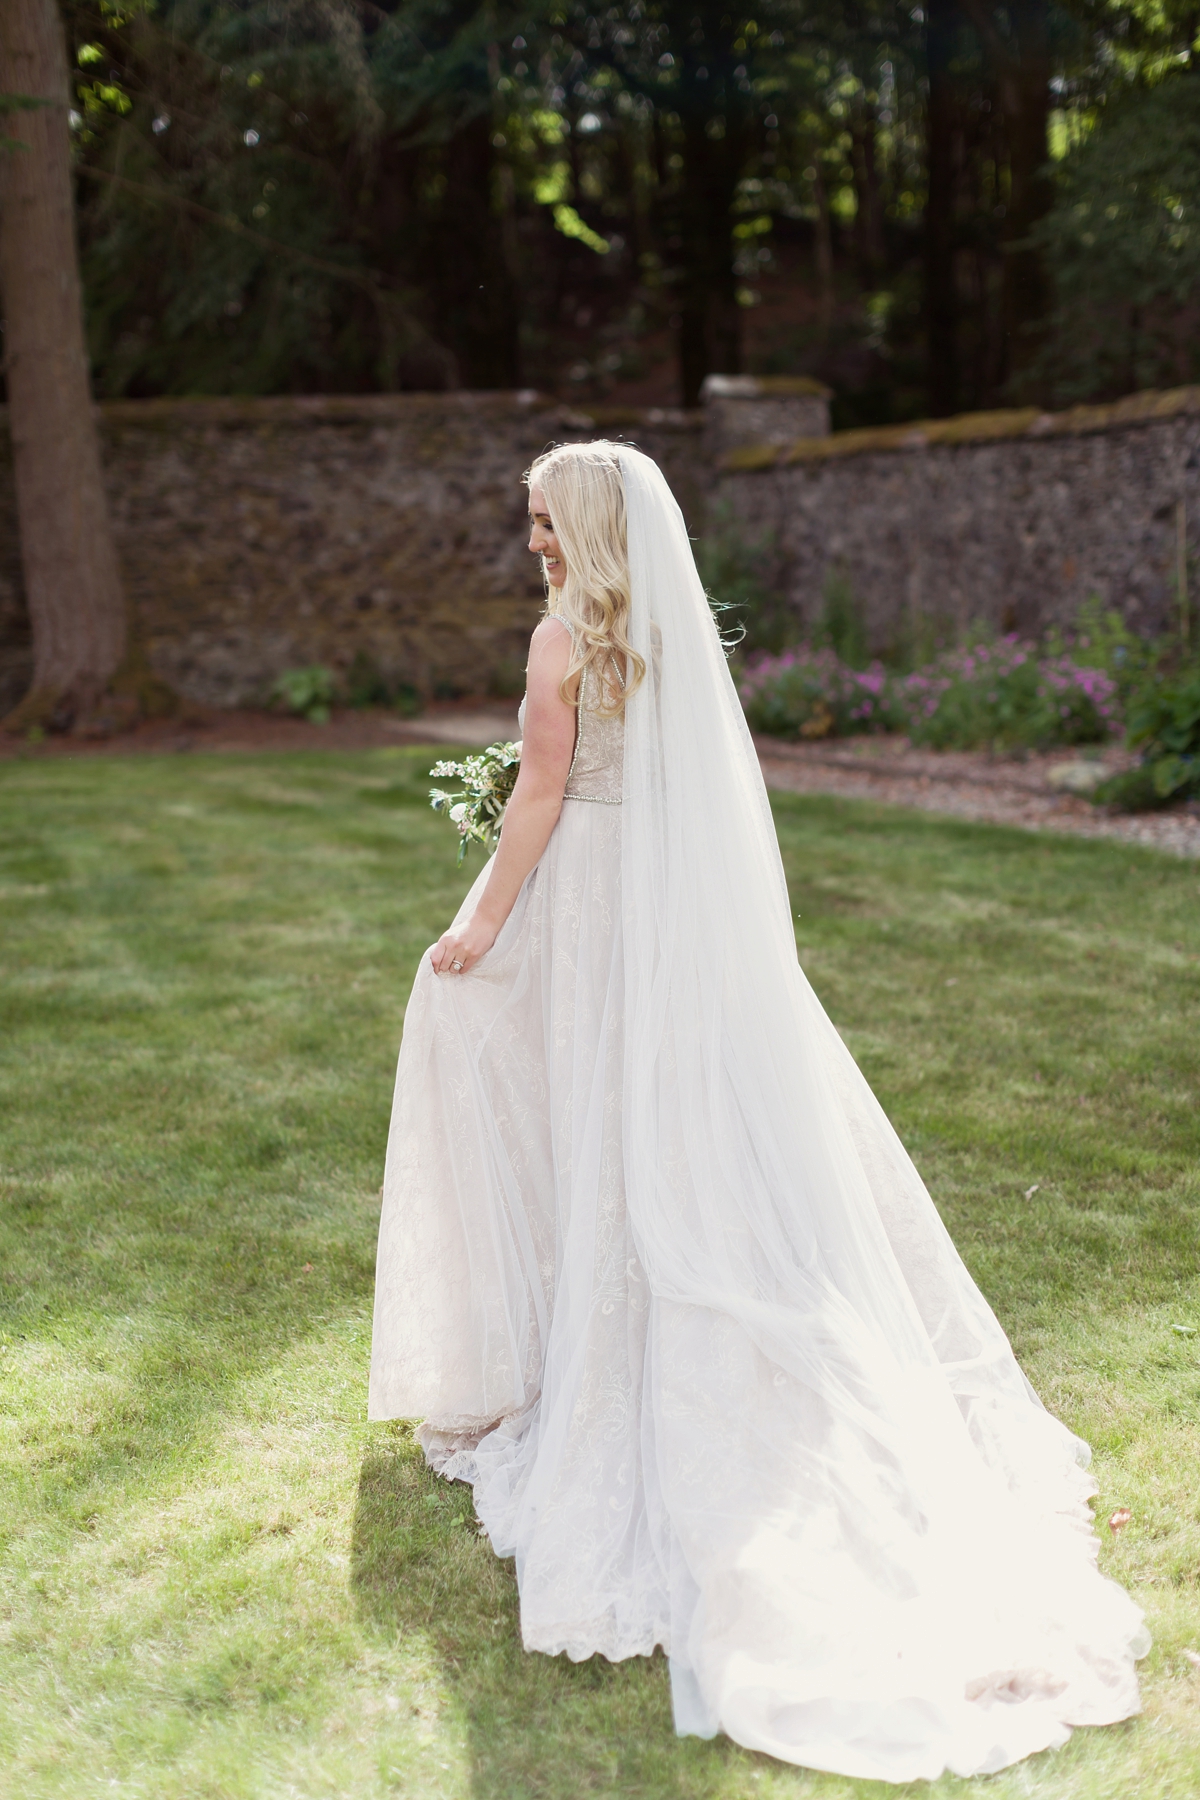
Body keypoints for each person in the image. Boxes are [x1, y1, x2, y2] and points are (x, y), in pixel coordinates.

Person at [369, 441, 1146, 1783]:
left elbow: (546, 794)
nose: (536, 543)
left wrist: (476, 919)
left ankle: (595, 1342)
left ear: (592, 527)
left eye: (548, 523)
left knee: (600, 1111)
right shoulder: (667, 629)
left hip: (604, 909)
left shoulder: (564, 641)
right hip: (682, 917)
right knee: (684, 1121)